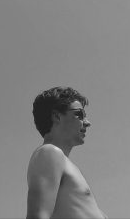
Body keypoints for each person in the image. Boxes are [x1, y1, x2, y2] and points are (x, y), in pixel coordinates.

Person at [26, 87, 106, 219]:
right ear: (57, 116)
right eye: (79, 114)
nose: (87, 122)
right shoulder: (49, 153)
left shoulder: (65, 164)